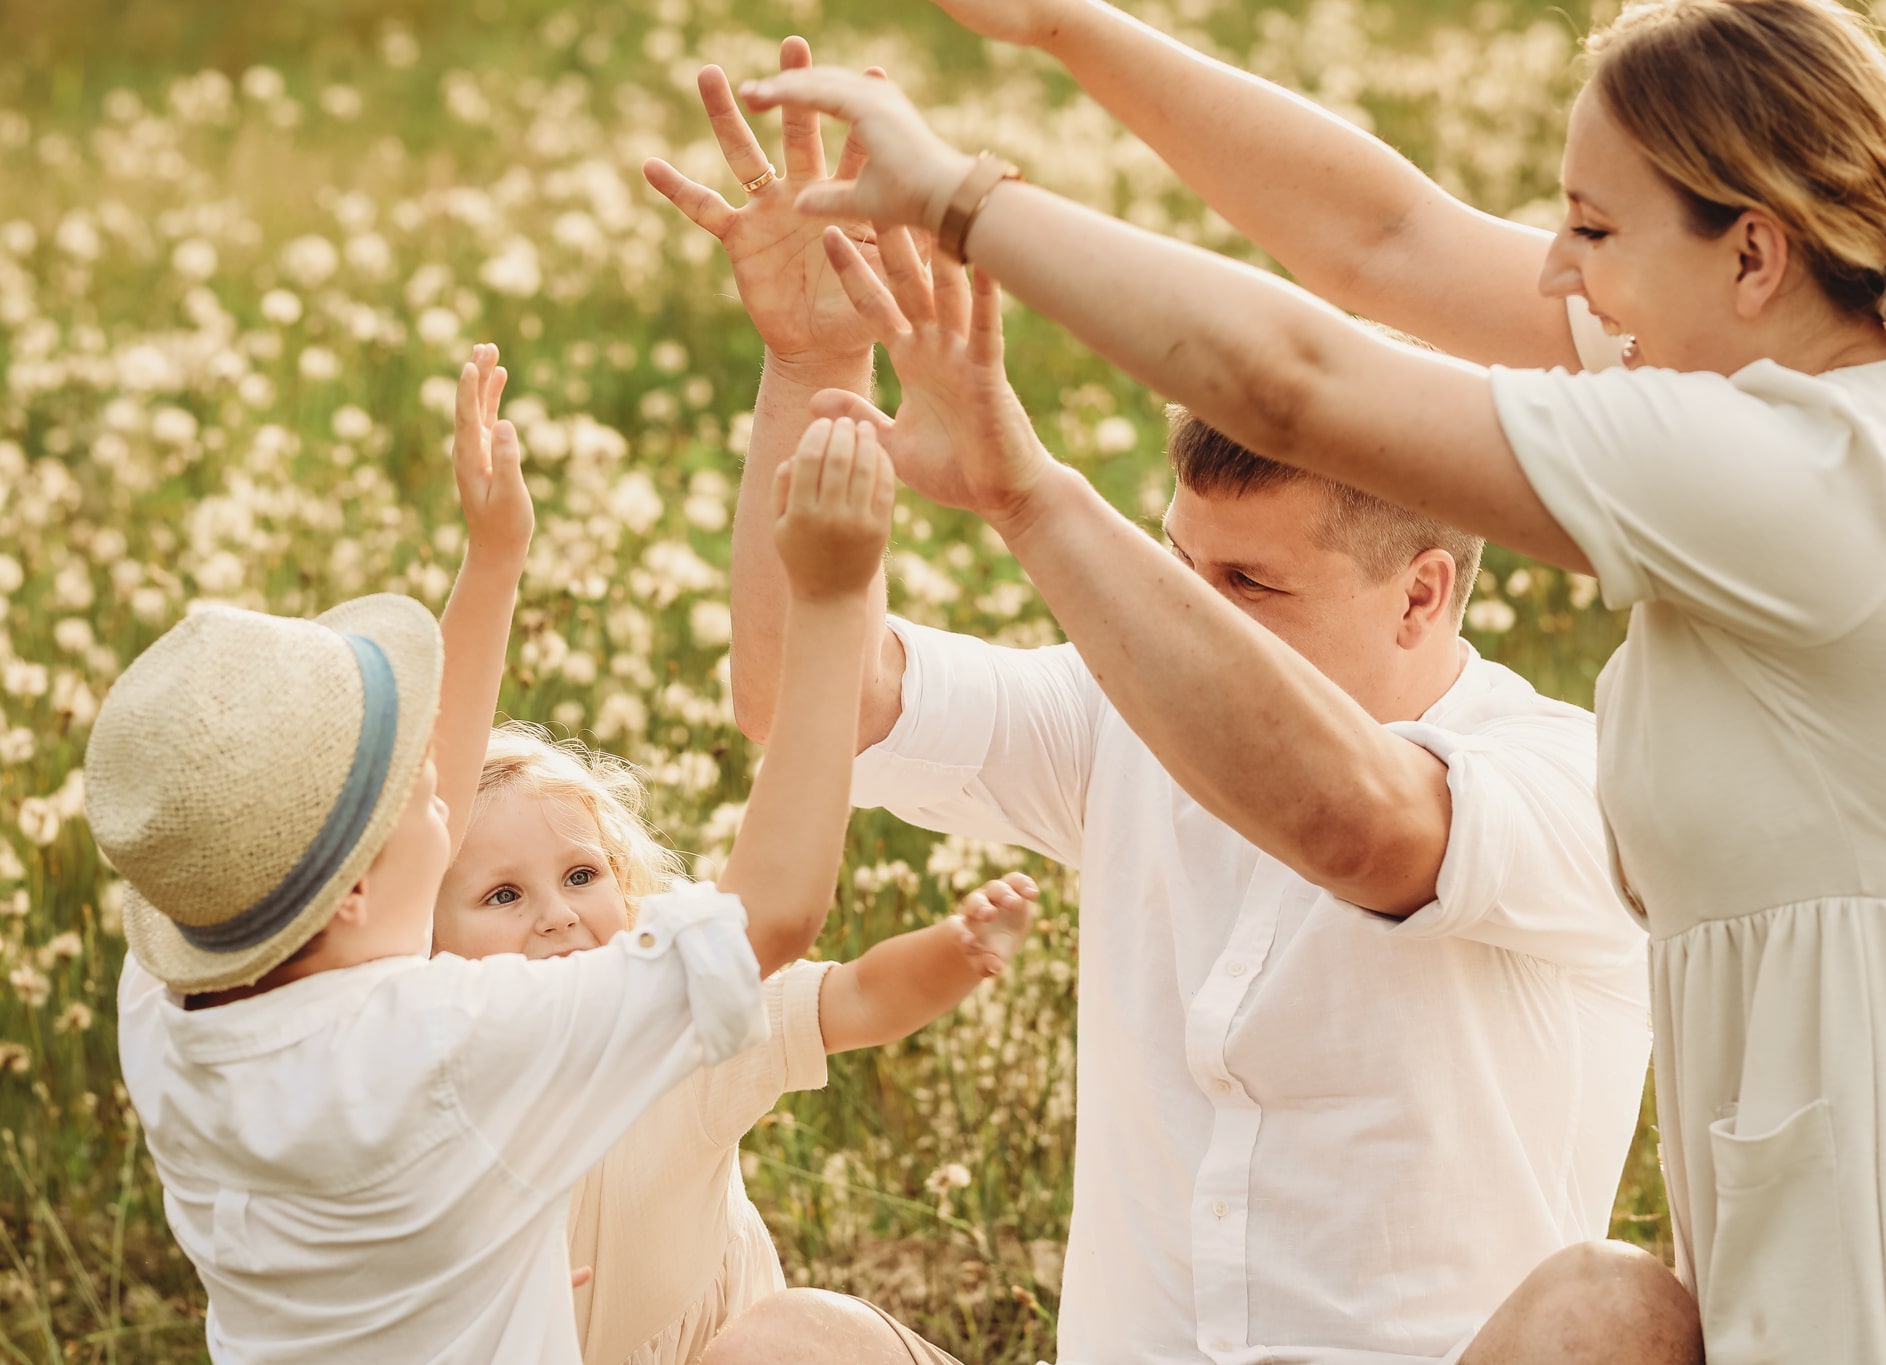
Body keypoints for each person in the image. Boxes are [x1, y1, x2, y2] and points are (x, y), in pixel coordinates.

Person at [734, 0, 1886, 1360]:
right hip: (1845, 1227)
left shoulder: (1807, 476)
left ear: (1754, 255)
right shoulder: (1830, 417)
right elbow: (1386, 243)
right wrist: (1070, 29)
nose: (1555, 278)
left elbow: (1292, 381)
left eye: (1593, 230)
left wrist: (960, 203)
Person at [645, 47, 1655, 1364]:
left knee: (1611, 1304)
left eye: (1253, 584)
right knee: (793, 1344)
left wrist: (1025, 490)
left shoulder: (1570, 779)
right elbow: (801, 696)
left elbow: (1365, 829)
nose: (1190, 615)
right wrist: (814, 369)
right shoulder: (1118, 711)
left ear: (1424, 596)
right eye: (1183, 568)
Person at [92, 347, 895, 1361]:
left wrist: (495, 558)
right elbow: (767, 914)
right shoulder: (451, 1047)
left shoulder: (168, 1006)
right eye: (412, 792)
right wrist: (828, 601)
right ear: (351, 895)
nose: (439, 778)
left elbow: (412, 812)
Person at [430, 717, 1036, 1365]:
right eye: (504, 894)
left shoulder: (674, 1023)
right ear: (425, 940)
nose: (559, 914)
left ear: (627, 887)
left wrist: (957, 949)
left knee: (801, 1331)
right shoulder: (411, 1089)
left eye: (581, 875)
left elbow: (856, 997)